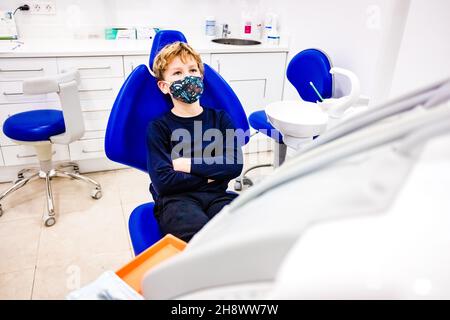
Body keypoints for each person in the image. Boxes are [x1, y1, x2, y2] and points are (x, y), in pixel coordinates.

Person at [146, 41, 244, 242]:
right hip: (176, 201)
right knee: (201, 243)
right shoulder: (159, 127)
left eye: (192, 70)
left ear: (201, 76)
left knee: (237, 238)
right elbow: (164, 183)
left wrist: (185, 165)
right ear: (164, 86)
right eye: (177, 73)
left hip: (218, 196)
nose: (188, 77)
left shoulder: (220, 118)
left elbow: (234, 166)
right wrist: (211, 175)